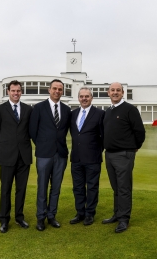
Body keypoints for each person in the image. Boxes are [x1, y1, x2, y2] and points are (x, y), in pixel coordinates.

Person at [0, 80, 33, 233]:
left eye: (18, 91)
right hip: (6, 156)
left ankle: (19, 217)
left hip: (24, 156)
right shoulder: (0, 109)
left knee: (21, 189)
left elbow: (31, 130)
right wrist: (5, 145)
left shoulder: (28, 109)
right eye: (13, 91)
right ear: (8, 91)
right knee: (5, 189)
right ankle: (4, 219)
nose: (16, 93)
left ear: (21, 92)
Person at [102, 82, 145, 233]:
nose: (115, 92)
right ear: (108, 92)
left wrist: (134, 147)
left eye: (118, 90)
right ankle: (117, 214)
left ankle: (124, 219)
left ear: (123, 93)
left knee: (124, 188)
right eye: (112, 90)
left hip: (124, 154)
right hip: (109, 154)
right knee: (116, 188)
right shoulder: (108, 111)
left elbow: (140, 132)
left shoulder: (129, 109)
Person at [29, 79, 71, 231]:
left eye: (60, 89)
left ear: (62, 91)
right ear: (49, 90)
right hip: (44, 154)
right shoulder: (38, 108)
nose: (57, 91)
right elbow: (33, 131)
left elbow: (65, 130)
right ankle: (41, 217)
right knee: (42, 187)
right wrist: (42, 145)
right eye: (54, 88)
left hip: (60, 154)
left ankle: (52, 215)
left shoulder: (67, 110)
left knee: (56, 187)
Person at [69, 87, 105, 226]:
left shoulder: (100, 114)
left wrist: (96, 150)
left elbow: (104, 136)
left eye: (87, 96)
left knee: (92, 187)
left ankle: (90, 213)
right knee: (77, 187)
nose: (84, 98)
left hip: (93, 158)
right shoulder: (73, 114)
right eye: (81, 96)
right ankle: (80, 213)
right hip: (76, 158)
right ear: (78, 98)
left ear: (91, 98)